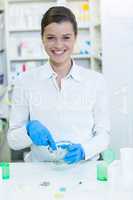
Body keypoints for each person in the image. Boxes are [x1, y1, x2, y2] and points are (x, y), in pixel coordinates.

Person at [7, 6, 110, 163]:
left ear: (75, 38)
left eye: (66, 37)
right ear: (42, 38)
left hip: (84, 168)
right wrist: (27, 130)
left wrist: (85, 151)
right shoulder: (25, 82)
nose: (58, 45)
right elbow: (13, 141)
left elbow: (104, 134)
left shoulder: (95, 81)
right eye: (51, 37)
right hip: (41, 171)